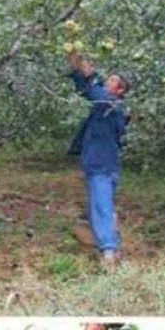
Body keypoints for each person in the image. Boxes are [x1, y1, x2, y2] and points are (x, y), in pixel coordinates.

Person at [66, 51, 130, 267]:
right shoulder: (107, 105)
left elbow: (93, 89)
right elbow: (85, 88)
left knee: (101, 204)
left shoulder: (109, 104)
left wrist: (86, 69)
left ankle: (108, 250)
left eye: (111, 81)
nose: (106, 81)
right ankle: (105, 240)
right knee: (100, 201)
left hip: (101, 163)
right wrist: (75, 62)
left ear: (119, 90)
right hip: (102, 162)